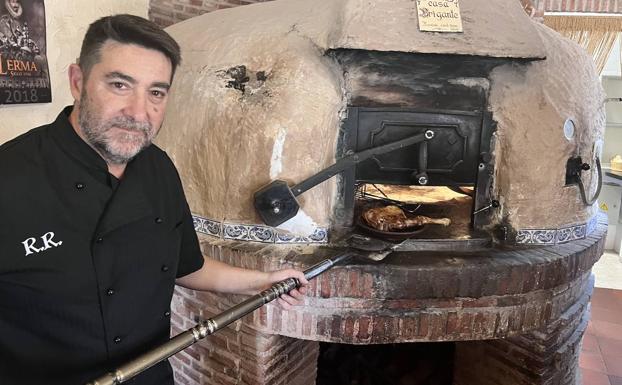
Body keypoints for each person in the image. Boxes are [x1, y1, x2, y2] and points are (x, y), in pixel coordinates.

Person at [0, 14, 308, 385]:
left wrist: (260, 281)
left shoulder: (158, 168)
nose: (138, 112)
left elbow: (185, 265)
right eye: (119, 85)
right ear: (78, 82)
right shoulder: (10, 177)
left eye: (156, 92)